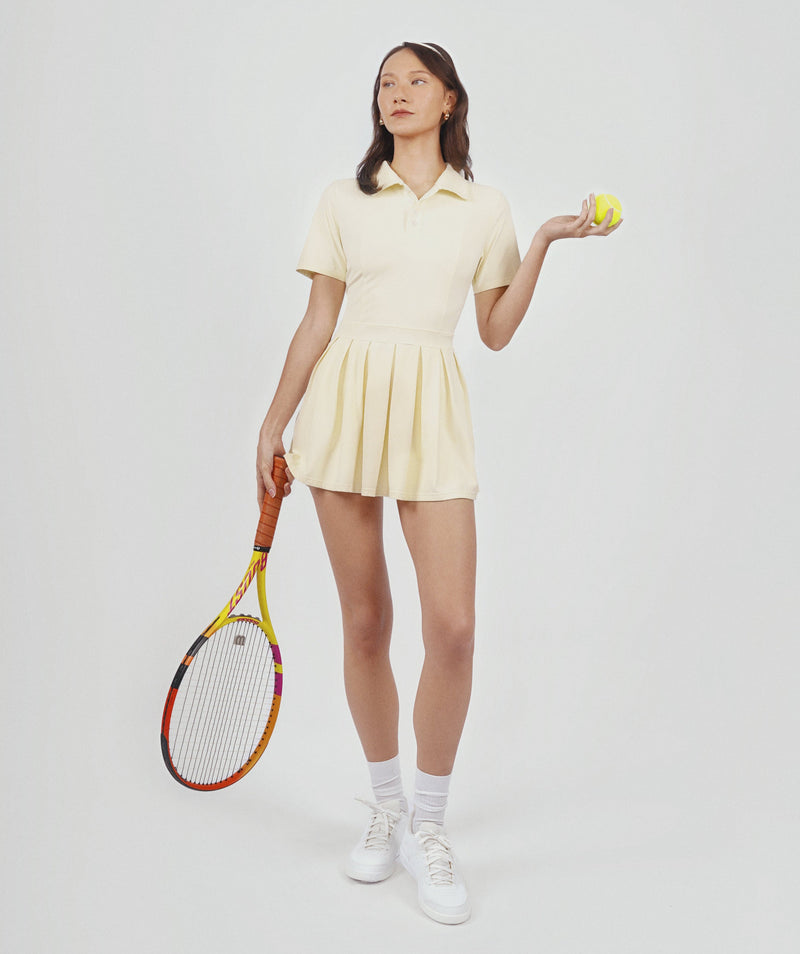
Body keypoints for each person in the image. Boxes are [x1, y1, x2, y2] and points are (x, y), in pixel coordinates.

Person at [256, 40, 621, 925]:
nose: (396, 93)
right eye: (385, 82)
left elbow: (492, 330)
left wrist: (539, 243)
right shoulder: (345, 199)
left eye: (415, 80)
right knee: (367, 621)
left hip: (431, 410)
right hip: (342, 408)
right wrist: (273, 425)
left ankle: (428, 822)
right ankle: (385, 804)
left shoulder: (483, 206)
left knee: (453, 630)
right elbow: (318, 322)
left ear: (451, 100)